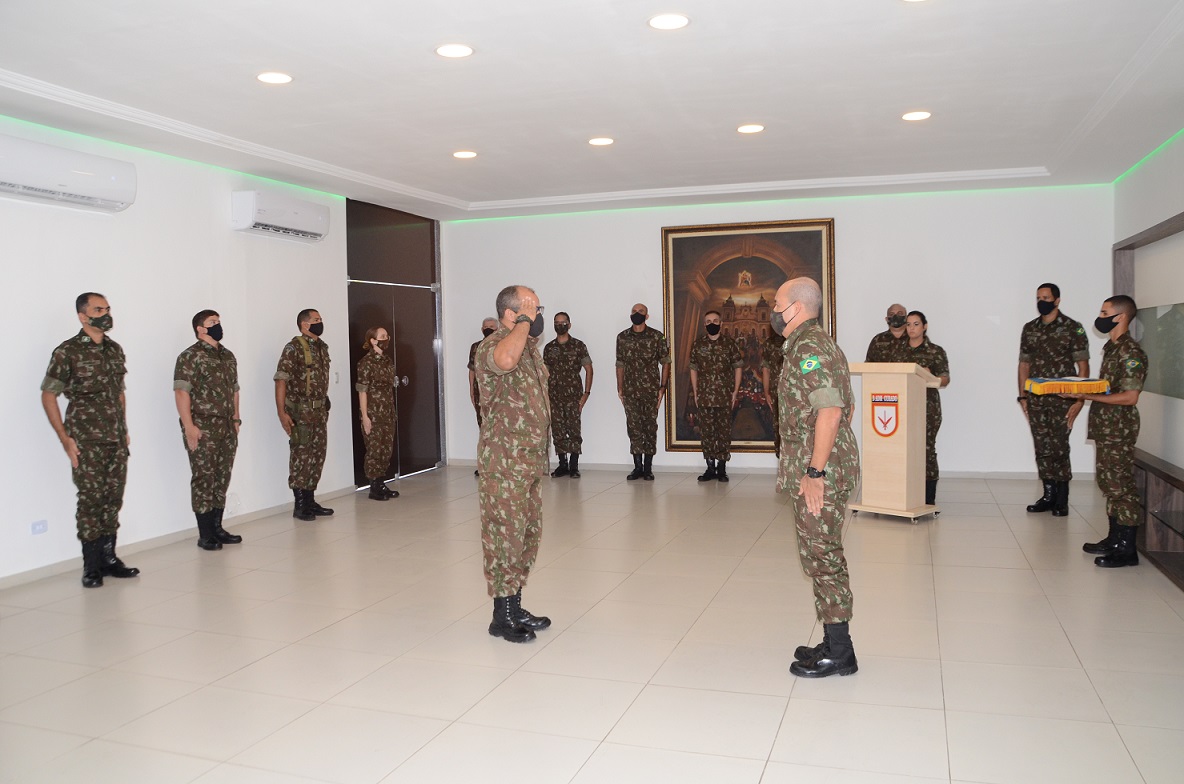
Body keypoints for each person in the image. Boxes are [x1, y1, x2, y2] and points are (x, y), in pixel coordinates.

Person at [772, 278, 860, 678]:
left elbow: (830, 411)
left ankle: (841, 652)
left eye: (777, 304)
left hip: (820, 470)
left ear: (795, 308)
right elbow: (837, 407)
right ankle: (832, 639)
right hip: (821, 464)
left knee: (823, 557)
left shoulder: (809, 348)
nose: (772, 312)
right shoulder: (814, 345)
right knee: (817, 553)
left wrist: (815, 472)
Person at [40, 292, 140, 588]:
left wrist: (123, 428)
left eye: (108, 308)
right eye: (99, 309)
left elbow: (119, 393)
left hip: (115, 438)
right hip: (86, 439)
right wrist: (64, 438)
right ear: (83, 316)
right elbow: (48, 395)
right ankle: (91, 566)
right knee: (90, 501)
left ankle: (109, 558)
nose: (106, 313)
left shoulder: (114, 349)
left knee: (113, 498)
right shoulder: (67, 352)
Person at [476, 285, 552, 642]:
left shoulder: (530, 349)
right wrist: (523, 322)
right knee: (504, 536)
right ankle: (502, 618)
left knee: (526, 535)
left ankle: (514, 603)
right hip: (504, 463)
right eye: (532, 308)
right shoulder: (494, 344)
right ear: (512, 313)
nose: (538, 315)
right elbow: (504, 362)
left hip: (528, 462)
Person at [1065, 295, 1147, 567]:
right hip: (1106, 427)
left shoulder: (1130, 352)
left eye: (1104, 312)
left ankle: (1127, 549)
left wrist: (1089, 397)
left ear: (1120, 317)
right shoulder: (1112, 348)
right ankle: (1114, 538)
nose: (1099, 316)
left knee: (1122, 487)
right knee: (1109, 483)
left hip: (1119, 430)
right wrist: (1081, 389)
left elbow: (1130, 397)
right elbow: (1108, 387)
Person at [1017, 283, 1089, 517]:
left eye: (1046, 297)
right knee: (1042, 447)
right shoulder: (1030, 328)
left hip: (1062, 398)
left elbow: (1083, 365)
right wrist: (1023, 396)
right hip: (1036, 398)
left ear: (1057, 300)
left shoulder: (1072, 328)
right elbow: (1024, 364)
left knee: (1059, 446)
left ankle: (1062, 498)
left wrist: (1079, 399)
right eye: (1038, 297)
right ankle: (1048, 495)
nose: (1042, 301)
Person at [174, 309, 243, 550]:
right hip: (202, 427)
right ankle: (205, 534)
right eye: (212, 322)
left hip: (226, 426)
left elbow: (234, 390)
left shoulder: (227, 356)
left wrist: (236, 419)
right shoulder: (190, 356)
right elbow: (182, 392)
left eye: (219, 322)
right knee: (204, 479)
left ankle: (217, 527)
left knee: (222, 477)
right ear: (200, 329)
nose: (218, 326)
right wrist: (189, 426)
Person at [275, 308, 334, 522]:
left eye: (321, 319)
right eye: (316, 320)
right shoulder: (293, 348)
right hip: (301, 413)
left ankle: (310, 500)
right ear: (305, 325)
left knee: (318, 456)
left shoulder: (321, 348)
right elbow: (281, 380)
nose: (321, 322)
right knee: (301, 457)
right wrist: (282, 413)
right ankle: (300, 504)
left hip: (319, 412)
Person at [616, 303, 670, 480]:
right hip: (630, 391)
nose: (636, 314)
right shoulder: (622, 337)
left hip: (650, 391)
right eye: (634, 311)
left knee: (649, 427)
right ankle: (637, 467)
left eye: (641, 312)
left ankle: (648, 468)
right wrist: (620, 387)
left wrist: (662, 387)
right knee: (634, 428)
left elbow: (666, 362)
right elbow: (620, 364)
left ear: (647, 316)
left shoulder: (656, 337)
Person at [901, 311, 950, 505]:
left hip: (927, 408)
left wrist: (931, 376)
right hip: (903, 408)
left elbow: (945, 379)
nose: (911, 328)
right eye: (908, 325)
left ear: (925, 326)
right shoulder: (899, 351)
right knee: (904, 450)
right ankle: (907, 494)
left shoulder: (935, 351)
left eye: (916, 324)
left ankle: (928, 498)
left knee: (926, 451)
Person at [689, 310, 743, 481]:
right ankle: (710, 468)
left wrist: (735, 391)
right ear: (704, 325)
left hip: (724, 395)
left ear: (721, 323)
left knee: (723, 432)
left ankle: (722, 468)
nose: (712, 323)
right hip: (704, 395)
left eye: (715, 320)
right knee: (706, 432)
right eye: (708, 321)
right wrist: (696, 391)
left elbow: (738, 367)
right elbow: (693, 369)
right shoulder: (698, 345)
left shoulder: (730, 344)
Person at [543, 311, 593, 478]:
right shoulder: (549, 348)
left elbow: (589, 369)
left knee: (573, 429)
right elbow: (545, 373)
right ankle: (562, 464)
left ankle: (574, 465)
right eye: (557, 322)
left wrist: (586, 393)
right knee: (558, 430)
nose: (560, 325)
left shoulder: (578, 345)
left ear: (569, 325)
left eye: (563, 322)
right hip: (554, 396)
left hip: (573, 396)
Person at [356, 326, 399, 501]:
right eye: (382, 336)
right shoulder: (366, 363)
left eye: (386, 335)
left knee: (385, 449)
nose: (386, 338)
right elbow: (362, 391)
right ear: (373, 341)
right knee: (374, 450)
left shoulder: (387, 360)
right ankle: (374, 487)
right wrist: (365, 416)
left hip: (388, 412)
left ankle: (381, 483)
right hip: (373, 413)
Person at [468, 317, 498, 476]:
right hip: (481, 394)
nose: (488, 329)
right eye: (486, 326)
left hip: (498, 395)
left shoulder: (502, 344)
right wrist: (471, 391)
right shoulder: (475, 347)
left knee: (499, 430)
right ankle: (485, 465)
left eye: (492, 327)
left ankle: (499, 465)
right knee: (484, 429)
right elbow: (472, 370)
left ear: (497, 328)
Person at [761, 332, 786, 457]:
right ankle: (783, 464)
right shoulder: (770, 344)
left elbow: (811, 366)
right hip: (777, 393)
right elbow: (766, 369)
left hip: (799, 395)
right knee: (779, 429)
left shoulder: (801, 340)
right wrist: (767, 392)